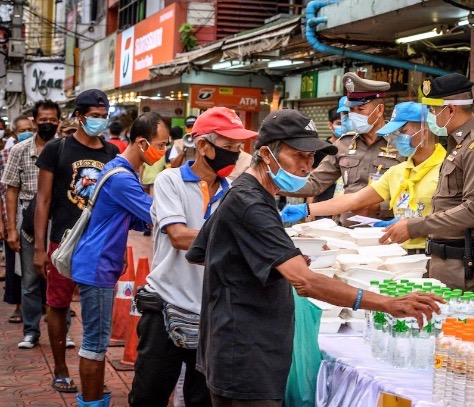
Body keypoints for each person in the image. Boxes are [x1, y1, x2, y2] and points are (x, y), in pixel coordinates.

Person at [185, 109, 442, 405]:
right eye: (298, 156)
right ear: (267, 155)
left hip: (243, 343)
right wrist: (386, 304)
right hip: (244, 350)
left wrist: (270, 263)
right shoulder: (249, 202)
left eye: (311, 159)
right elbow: (305, 282)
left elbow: (204, 251)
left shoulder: (252, 194)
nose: (307, 167)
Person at [129, 107, 257, 407]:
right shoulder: (169, 181)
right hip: (166, 306)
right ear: (203, 146)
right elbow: (178, 236)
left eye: (239, 148)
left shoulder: (231, 192)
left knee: (202, 399)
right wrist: (237, 244)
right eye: (229, 147)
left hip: (210, 312)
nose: (235, 155)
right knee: (149, 396)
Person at [71, 113, 166, 407]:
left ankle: (94, 399)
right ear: (141, 142)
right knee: (94, 344)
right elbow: (156, 215)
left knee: (95, 341)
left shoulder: (118, 168)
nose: (162, 152)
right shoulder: (124, 179)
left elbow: (135, 220)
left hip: (99, 261)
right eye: (161, 145)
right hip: (97, 264)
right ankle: (92, 402)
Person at [34, 89, 119, 393]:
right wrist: (40, 249)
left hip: (99, 245)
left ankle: (93, 373)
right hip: (63, 243)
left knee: (97, 308)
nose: (98, 121)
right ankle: (60, 368)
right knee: (58, 305)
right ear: (79, 117)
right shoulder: (56, 150)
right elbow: (43, 200)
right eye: (93, 116)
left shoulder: (111, 154)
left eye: (102, 116)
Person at [281, 102, 446, 254]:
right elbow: (354, 200)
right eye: (394, 133)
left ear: (424, 130)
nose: (395, 139)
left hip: (437, 255)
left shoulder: (447, 169)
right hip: (400, 254)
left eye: (401, 132)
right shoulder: (398, 171)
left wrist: (413, 226)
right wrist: (306, 209)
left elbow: (457, 217)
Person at [381, 73, 474, 290]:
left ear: (450, 109)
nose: (432, 117)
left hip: (462, 267)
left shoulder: (470, 147)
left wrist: (415, 226)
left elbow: (471, 210)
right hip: (445, 262)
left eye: (434, 110)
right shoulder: (457, 144)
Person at [283, 72, 404, 226]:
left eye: (360, 110)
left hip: (387, 231)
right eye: (351, 111)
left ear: (379, 110)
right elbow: (315, 183)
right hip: (347, 230)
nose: (354, 115)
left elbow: (417, 194)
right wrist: (277, 185)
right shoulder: (344, 144)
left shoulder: (401, 144)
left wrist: (380, 208)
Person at [1, 99, 60, 349]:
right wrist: (12, 228)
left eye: (52, 120)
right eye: (43, 120)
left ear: (59, 121)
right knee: (29, 279)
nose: (47, 124)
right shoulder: (19, 150)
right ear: (35, 121)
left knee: (61, 276)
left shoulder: (66, 149)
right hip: (28, 218)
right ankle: (31, 331)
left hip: (60, 220)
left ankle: (62, 330)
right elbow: (11, 190)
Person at [1, 115, 36, 323]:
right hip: (12, 217)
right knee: (17, 266)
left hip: (37, 216)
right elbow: (4, 191)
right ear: (14, 133)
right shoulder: (6, 155)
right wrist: (5, 223)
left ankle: (44, 306)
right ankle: (19, 306)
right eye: (22, 129)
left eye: (29, 129)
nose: (27, 132)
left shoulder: (44, 151)